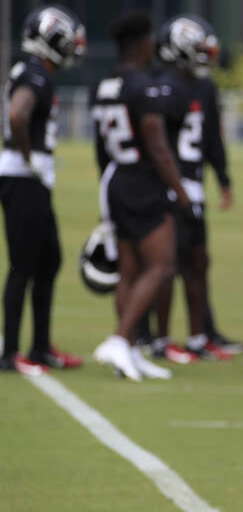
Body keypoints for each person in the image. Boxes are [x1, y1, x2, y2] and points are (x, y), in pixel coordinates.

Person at [90, 11, 192, 381]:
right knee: (161, 266)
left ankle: (129, 350)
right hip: (143, 182)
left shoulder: (105, 85)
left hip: (116, 178)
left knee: (129, 271)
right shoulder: (142, 86)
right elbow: (157, 143)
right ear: (141, 44)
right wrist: (180, 190)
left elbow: (100, 145)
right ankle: (119, 339)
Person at [0, 5, 86, 374]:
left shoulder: (34, 71)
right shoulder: (34, 74)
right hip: (23, 178)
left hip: (30, 179)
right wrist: (28, 155)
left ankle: (39, 347)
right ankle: (11, 353)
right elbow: (17, 115)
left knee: (48, 260)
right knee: (24, 265)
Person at [145, 13, 234, 363]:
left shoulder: (202, 87)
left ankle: (199, 336)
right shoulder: (161, 87)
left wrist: (223, 179)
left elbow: (211, 138)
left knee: (197, 263)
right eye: (198, 49)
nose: (206, 56)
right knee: (165, 266)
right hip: (170, 187)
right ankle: (153, 337)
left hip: (192, 186)